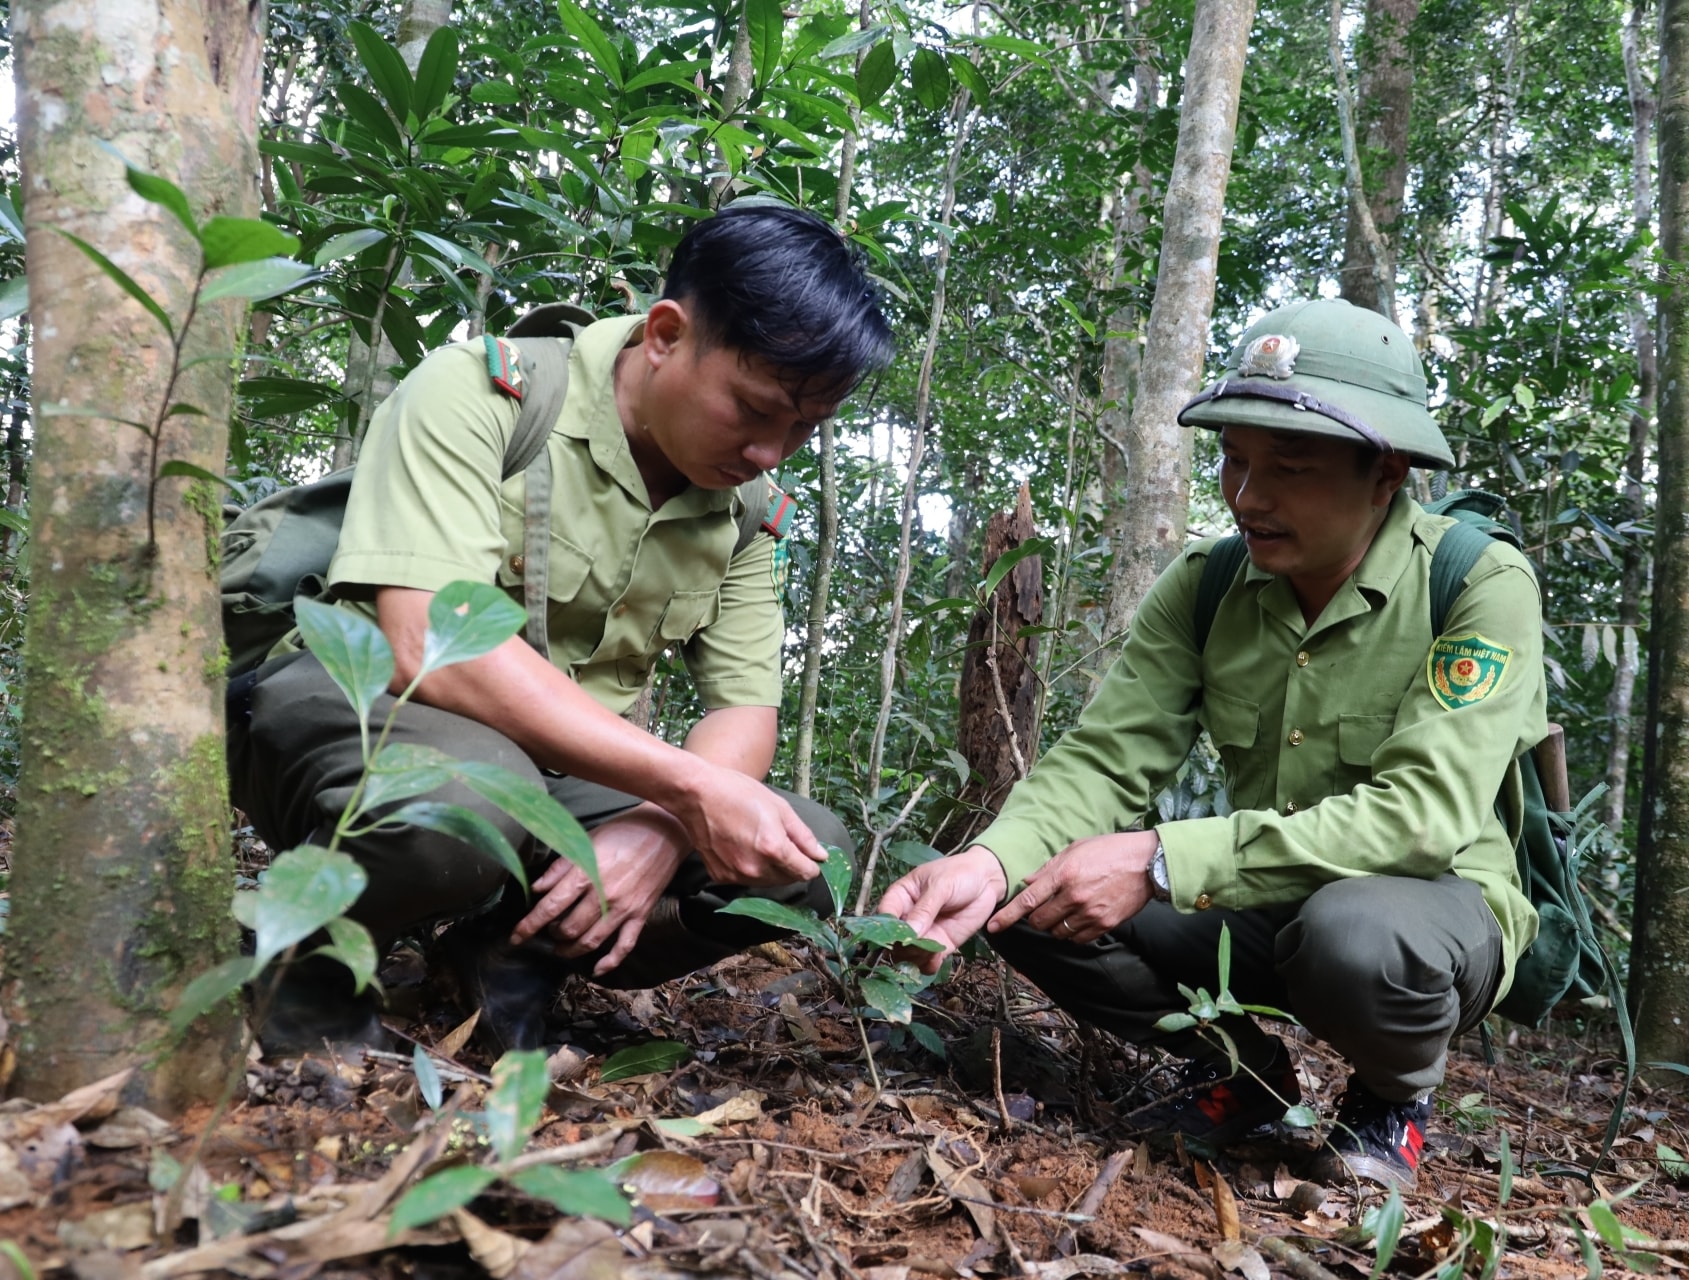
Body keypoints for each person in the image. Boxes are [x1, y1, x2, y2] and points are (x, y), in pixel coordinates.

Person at [879, 298, 1546, 1191]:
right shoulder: (1208, 583)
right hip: (1265, 894)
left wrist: (1159, 861)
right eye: (1234, 459)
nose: (1247, 496)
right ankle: (1240, 1070)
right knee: (1034, 897)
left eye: (1291, 468)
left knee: (1354, 934)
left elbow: (1421, 819)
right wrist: (992, 863)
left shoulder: (1476, 582)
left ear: (1385, 473)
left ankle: (1389, 1098)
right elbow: (1106, 759)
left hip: (1425, 914)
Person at [228, 203, 894, 1056]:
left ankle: (504, 961)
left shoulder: (747, 513)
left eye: (803, 429)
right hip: (355, 710)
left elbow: (744, 714)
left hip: (546, 771)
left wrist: (660, 822)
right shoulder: (485, 393)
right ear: (664, 335)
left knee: (806, 856)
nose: (773, 451)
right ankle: (304, 978)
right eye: (753, 409)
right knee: (461, 799)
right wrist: (685, 792)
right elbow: (431, 642)